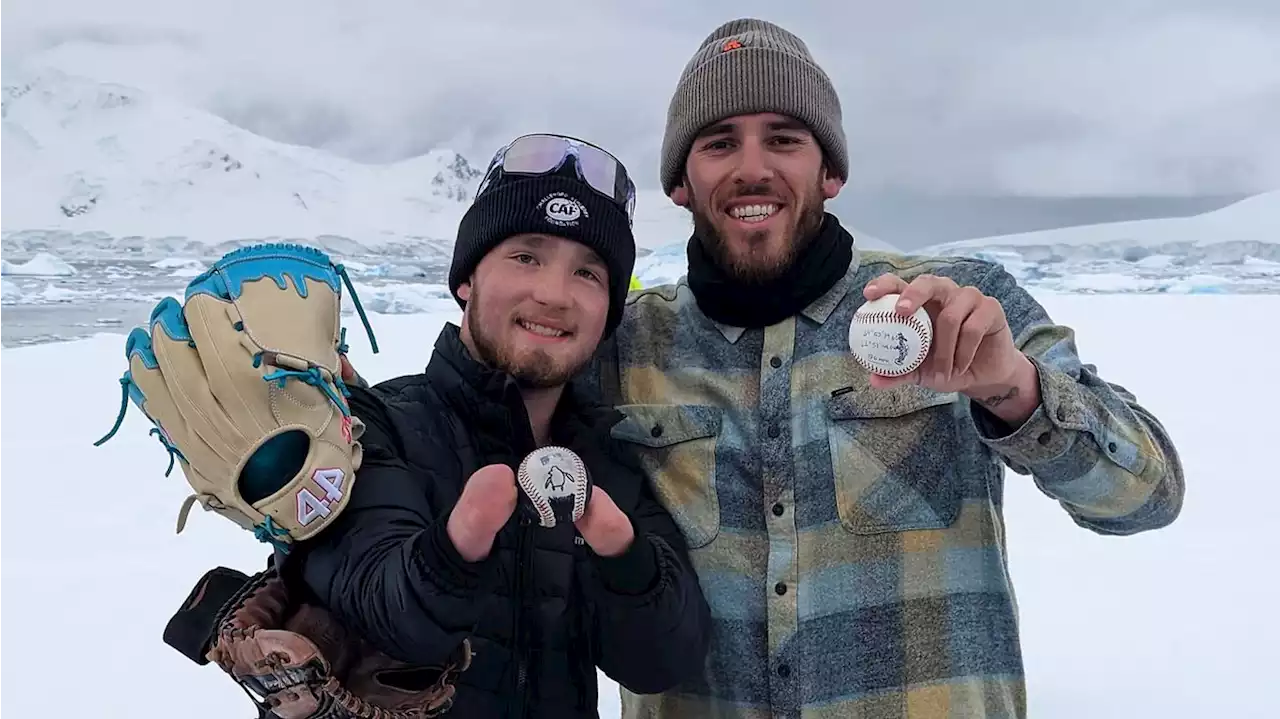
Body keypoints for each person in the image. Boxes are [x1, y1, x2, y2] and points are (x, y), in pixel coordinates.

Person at [578, 18, 1187, 719]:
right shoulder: (622, 347)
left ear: (830, 171)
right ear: (680, 183)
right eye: (720, 143)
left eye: (784, 138)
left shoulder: (961, 306)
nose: (752, 167)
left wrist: (1014, 390)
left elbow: (1149, 494)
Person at [297, 133, 712, 717]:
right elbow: (380, 601)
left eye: (589, 274)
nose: (554, 294)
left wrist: (627, 560)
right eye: (526, 256)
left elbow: (663, 662)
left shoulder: (607, 456)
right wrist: (454, 550)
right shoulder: (373, 427)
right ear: (467, 279)